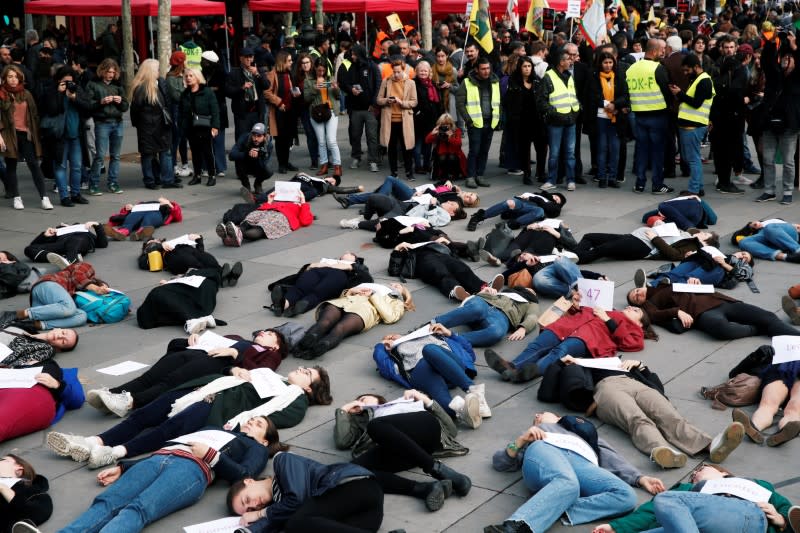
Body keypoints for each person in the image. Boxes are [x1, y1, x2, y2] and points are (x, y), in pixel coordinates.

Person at [49, 365, 329, 469]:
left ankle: (114, 452)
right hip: (196, 392)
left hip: (216, 408)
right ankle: (92, 441)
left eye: (307, 374)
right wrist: (235, 370)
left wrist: (236, 413)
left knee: (166, 431)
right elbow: (237, 374)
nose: (301, 369)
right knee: (144, 415)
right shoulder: (270, 374)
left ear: (308, 388)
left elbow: (275, 419)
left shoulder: (295, 401)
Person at [44, 421, 275, 533]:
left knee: (138, 508)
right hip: (159, 457)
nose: (253, 421)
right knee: (107, 501)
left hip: (193, 469)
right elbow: (176, 444)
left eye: (260, 424)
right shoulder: (218, 427)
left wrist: (212, 456)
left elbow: (244, 474)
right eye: (253, 418)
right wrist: (125, 468)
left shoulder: (257, 448)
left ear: (265, 439)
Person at [486, 411, 664, 533]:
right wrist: (520, 441)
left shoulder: (583, 432)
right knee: (569, 484)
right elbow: (501, 463)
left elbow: (611, 456)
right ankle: (514, 526)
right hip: (546, 450)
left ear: (558, 417)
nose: (536, 416)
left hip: (583, 462)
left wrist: (640, 478)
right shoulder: (536, 433)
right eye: (535, 418)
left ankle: (553, 505)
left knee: (627, 496)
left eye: (541, 413)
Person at [85, 329, 287, 416]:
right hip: (191, 353)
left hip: (212, 363)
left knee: (168, 383)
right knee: (149, 377)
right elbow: (176, 344)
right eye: (264, 331)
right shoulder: (235, 336)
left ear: (276, 346)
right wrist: (191, 339)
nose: (263, 333)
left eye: (270, 335)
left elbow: (260, 372)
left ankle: (130, 403)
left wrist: (235, 354)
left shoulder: (269, 354)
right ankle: (111, 394)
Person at [334, 389, 471, 511]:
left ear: (378, 398)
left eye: (362, 398)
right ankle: (424, 489)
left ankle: (437, 469)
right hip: (405, 450)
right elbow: (342, 441)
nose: (359, 402)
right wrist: (344, 410)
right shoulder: (363, 422)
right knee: (351, 471)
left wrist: (424, 399)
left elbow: (451, 430)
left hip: (425, 431)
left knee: (375, 425)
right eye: (357, 402)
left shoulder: (404, 402)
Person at [485, 291, 655, 382]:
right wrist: (575, 304)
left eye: (636, 310)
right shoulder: (607, 308)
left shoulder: (633, 328)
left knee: (561, 350)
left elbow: (632, 343)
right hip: (565, 327)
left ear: (640, 323)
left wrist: (608, 319)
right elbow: (581, 313)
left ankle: (528, 372)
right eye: (631, 307)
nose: (630, 308)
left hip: (588, 337)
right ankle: (511, 367)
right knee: (536, 346)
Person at [595, 463, 794, 533]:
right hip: (701, 527)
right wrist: (617, 527)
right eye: (694, 473)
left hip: (745, 518)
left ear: (722, 473)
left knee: (666, 499)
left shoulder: (755, 484)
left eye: (701, 468)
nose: (695, 473)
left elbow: (789, 509)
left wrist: (782, 520)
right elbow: (649, 513)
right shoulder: (689, 489)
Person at [227, 452, 384, 533]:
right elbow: (275, 519)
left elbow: (297, 500)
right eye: (251, 509)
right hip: (363, 514)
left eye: (247, 500)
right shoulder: (279, 506)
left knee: (295, 523)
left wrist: (259, 514)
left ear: (249, 481)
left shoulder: (281, 461)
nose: (255, 505)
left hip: (352, 485)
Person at [373, 323, 489, 428]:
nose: (390, 337)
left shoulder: (430, 335)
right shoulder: (395, 353)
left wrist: (449, 333)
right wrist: (380, 345)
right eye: (387, 339)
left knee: (429, 349)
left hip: (448, 364)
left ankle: (473, 390)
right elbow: (384, 366)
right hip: (421, 370)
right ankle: (463, 411)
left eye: (392, 335)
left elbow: (469, 352)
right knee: (443, 401)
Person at [627, 283, 800, 339]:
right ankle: (758, 329)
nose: (637, 294)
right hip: (701, 313)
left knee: (768, 316)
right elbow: (655, 316)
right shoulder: (649, 303)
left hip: (720, 300)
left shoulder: (666, 283)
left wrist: (696, 282)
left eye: (636, 290)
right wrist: (676, 312)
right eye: (635, 298)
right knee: (721, 328)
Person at [293, 282, 414, 359]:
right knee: (324, 322)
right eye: (392, 283)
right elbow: (344, 295)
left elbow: (390, 317)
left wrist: (373, 295)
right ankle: (304, 343)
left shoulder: (397, 302)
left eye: (398, 286)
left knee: (340, 328)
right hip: (346, 302)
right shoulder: (370, 285)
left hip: (364, 311)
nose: (393, 285)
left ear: (402, 294)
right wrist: (351, 291)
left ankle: (318, 349)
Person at [0, 65, 52, 210]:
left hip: (26, 134)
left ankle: (44, 198)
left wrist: (35, 135)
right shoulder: (1, 94)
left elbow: (34, 115)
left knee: (34, 165)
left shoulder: (26, 94)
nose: (13, 80)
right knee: (11, 166)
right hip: (9, 134)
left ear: (20, 78)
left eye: (15, 76)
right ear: (4, 78)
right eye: (10, 76)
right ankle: (17, 197)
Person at [626, 39, 674, 194]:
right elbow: (667, 92)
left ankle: (640, 184)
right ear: (654, 51)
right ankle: (657, 184)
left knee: (641, 150)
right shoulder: (657, 68)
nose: (663, 52)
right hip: (657, 114)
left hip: (638, 114)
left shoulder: (632, 68)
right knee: (657, 151)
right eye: (662, 50)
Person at [757, 33, 800, 205]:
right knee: (768, 159)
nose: (786, 62)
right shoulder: (775, 76)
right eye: (784, 59)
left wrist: (795, 47)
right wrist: (769, 41)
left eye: (789, 59)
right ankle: (769, 190)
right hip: (770, 121)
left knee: (788, 161)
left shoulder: (797, 78)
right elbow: (767, 62)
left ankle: (788, 190)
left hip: (789, 125)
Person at [39, 66, 91, 206]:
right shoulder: (51, 91)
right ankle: (64, 196)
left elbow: (88, 108)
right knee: (60, 167)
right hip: (58, 136)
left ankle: (76, 194)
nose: (68, 84)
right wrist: (59, 94)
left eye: (70, 81)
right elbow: (51, 109)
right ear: (58, 80)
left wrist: (74, 98)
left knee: (76, 166)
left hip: (75, 135)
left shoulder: (77, 90)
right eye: (65, 81)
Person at [4, 261, 107, 331]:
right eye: (104, 288)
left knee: (82, 316)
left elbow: (65, 313)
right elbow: (78, 276)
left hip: (45, 306)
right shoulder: (88, 270)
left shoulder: (82, 295)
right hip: (49, 284)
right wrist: (95, 288)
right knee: (69, 307)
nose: (103, 291)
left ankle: (34, 325)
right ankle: (18, 314)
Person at [0, 358, 83, 442]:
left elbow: (77, 399)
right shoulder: (10, 368)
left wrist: (57, 385)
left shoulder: (52, 368)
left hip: (31, 393)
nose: (30, 359)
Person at [128, 59, 180, 190]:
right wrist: (139, 124)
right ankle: (150, 179)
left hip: (161, 124)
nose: (159, 71)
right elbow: (135, 110)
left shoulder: (160, 83)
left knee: (165, 152)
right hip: (148, 127)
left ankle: (167, 179)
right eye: (157, 69)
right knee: (148, 154)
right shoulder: (141, 88)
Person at [268, 252, 372, 317]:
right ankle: (282, 305)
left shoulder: (357, 267)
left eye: (350, 254)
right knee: (299, 289)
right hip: (317, 271)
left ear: (356, 259)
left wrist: (351, 267)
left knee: (317, 294)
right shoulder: (328, 261)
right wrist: (310, 266)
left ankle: (298, 307)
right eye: (343, 256)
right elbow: (299, 275)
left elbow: (368, 279)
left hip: (338, 276)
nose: (346, 253)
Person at [431, 285, 539, 347]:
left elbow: (533, 316)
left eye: (532, 291)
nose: (530, 290)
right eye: (528, 288)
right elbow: (479, 297)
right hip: (485, 304)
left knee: (496, 332)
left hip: (503, 318)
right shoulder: (506, 291)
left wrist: (523, 328)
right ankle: (432, 324)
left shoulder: (531, 303)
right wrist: (484, 291)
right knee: (476, 309)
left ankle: (451, 338)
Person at [537, 48, 581, 192]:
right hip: (556, 122)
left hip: (570, 120)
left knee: (570, 152)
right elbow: (541, 101)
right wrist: (553, 113)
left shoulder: (569, 76)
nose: (571, 61)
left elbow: (572, 95)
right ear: (561, 62)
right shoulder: (548, 77)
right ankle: (551, 180)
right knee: (554, 153)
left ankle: (570, 180)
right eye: (568, 59)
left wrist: (578, 108)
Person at [670, 54, 714, 196]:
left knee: (693, 159)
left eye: (687, 70)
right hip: (691, 125)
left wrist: (680, 94)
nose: (685, 73)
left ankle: (694, 189)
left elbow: (696, 103)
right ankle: (697, 187)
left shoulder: (704, 81)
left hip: (694, 126)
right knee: (693, 158)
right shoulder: (696, 79)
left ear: (696, 67)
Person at [710, 35, 748, 195]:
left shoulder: (737, 66)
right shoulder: (717, 66)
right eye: (726, 47)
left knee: (729, 148)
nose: (729, 50)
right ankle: (724, 181)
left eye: (732, 47)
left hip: (733, 113)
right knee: (722, 149)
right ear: (721, 48)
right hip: (723, 113)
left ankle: (725, 179)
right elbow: (732, 90)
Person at [732, 357, 800, 446]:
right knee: (792, 410)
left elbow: (733, 372)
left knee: (768, 406)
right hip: (779, 370)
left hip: (779, 369)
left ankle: (754, 427)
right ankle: (784, 430)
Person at [85, 58, 128, 195]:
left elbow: (125, 106)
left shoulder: (118, 85)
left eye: (113, 72)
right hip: (102, 122)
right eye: (108, 71)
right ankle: (93, 184)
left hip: (117, 122)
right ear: (102, 71)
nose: (111, 74)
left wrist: (121, 101)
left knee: (115, 156)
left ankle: (113, 183)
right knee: (100, 155)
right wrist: (101, 102)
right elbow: (88, 105)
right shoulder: (93, 84)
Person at [136, 267, 224, 333]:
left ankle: (196, 318)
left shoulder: (206, 279)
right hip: (183, 293)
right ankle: (196, 318)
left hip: (193, 293)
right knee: (158, 294)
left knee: (159, 294)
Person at [456, 56, 500, 188]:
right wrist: (468, 120)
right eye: (483, 69)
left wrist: (498, 118)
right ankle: (470, 177)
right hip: (475, 123)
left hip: (490, 122)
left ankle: (480, 175)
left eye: (488, 68)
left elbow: (499, 102)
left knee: (484, 151)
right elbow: (460, 103)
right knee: (474, 150)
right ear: (476, 70)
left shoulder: (494, 81)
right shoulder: (467, 82)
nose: (486, 71)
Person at [216, 190, 313, 247]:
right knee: (250, 218)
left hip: (282, 217)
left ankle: (233, 236)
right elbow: (262, 208)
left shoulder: (300, 206)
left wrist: (303, 202)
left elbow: (305, 221)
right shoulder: (278, 201)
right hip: (265, 212)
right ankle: (233, 234)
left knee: (263, 226)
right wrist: (269, 201)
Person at [575, 226, 718, 264]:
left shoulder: (693, 246)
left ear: (704, 242)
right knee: (590, 237)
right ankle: (573, 254)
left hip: (643, 245)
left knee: (603, 250)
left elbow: (674, 255)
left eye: (705, 235)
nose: (702, 233)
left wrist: (655, 237)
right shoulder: (689, 234)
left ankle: (577, 259)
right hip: (634, 236)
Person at [138, 235, 242, 286]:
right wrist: (159, 246)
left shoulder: (171, 242)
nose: (155, 241)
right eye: (151, 242)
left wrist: (198, 240)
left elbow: (200, 251)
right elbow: (143, 263)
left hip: (191, 250)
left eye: (156, 240)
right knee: (197, 266)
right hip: (175, 257)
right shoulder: (149, 254)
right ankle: (224, 276)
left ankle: (226, 277)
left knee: (209, 260)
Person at [591, 51, 629, 188]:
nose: (608, 65)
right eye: (605, 63)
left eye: (610, 62)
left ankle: (612, 177)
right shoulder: (595, 76)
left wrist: (615, 105)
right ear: (600, 64)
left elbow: (625, 95)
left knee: (615, 148)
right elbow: (593, 96)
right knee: (602, 148)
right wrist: (608, 105)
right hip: (601, 116)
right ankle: (601, 177)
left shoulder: (618, 77)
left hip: (616, 117)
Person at [340, 45, 381, 172]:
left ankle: (373, 160)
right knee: (355, 134)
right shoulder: (349, 65)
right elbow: (342, 81)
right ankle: (356, 157)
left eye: (354, 54)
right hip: (355, 108)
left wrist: (374, 103)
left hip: (370, 108)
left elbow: (378, 84)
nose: (352, 57)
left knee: (372, 136)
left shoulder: (372, 66)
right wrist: (350, 89)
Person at [377, 58, 417, 181]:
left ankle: (409, 172)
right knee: (391, 147)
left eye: (398, 71)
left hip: (404, 120)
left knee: (407, 147)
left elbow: (414, 102)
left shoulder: (410, 83)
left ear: (403, 70)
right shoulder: (386, 81)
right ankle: (393, 172)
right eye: (394, 72)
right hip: (390, 120)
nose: (396, 74)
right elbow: (378, 100)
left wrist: (402, 102)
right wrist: (387, 100)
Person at [180, 68, 219, 186]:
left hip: (205, 126)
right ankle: (197, 176)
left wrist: (215, 126)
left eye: (191, 76)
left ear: (197, 77)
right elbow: (181, 112)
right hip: (191, 127)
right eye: (186, 76)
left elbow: (215, 110)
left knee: (207, 151)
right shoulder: (185, 94)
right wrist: (182, 126)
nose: (188, 78)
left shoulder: (207, 92)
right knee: (195, 152)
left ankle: (212, 175)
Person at [504, 57, 539, 185]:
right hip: (521, 121)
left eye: (529, 66)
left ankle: (541, 172)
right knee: (525, 149)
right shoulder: (514, 82)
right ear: (520, 67)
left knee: (541, 147)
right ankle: (527, 173)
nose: (527, 69)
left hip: (537, 119)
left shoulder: (537, 80)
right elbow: (508, 102)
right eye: (525, 66)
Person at [305, 57, 343, 177]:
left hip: (330, 111)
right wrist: (314, 89)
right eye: (319, 70)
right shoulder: (309, 81)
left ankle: (337, 166)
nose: (321, 73)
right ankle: (324, 165)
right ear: (315, 68)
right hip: (316, 113)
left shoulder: (330, 78)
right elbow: (306, 98)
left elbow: (338, 96)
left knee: (331, 140)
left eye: (323, 70)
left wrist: (336, 87)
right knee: (321, 141)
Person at [264, 50, 299, 174]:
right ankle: (282, 164)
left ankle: (286, 161)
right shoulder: (272, 74)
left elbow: (291, 88)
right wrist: (279, 102)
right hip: (279, 112)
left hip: (291, 110)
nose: (291, 62)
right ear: (282, 61)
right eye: (289, 61)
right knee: (280, 139)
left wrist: (295, 93)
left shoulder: (289, 73)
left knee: (289, 138)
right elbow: (266, 92)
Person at [467, 190, 566, 232]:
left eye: (557, 201)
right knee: (509, 202)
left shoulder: (553, 205)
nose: (555, 198)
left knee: (540, 211)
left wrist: (535, 199)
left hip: (533, 210)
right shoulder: (538, 194)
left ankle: (511, 224)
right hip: (522, 204)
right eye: (556, 196)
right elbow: (522, 197)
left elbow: (551, 211)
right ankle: (478, 217)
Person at [0, 455, 53, 532]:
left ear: (19, 466)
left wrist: (3, 488)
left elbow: (37, 511)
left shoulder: (30, 490)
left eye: (1, 459)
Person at [225, 47, 268, 141]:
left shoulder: (258, 71)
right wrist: (241, 88)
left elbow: (266, 85)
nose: (249, 59)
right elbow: (227, 91)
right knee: (242, 139)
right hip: (242, 113)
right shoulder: (234, 73)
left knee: (258, 139)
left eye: (251, 57)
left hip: (257, 111)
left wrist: (257, 74)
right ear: (241, 58)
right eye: (246, 57)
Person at [24, 221, 107, 266]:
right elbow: (34, 245)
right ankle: (62, 258)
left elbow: (102, 244)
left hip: (78, 242)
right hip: (62, 245)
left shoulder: (86, 233)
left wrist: (97, 225)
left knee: (75, 240)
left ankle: (70, 261)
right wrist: (44, 235)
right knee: (28, 249)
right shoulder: (60, 231)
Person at [412, 61, 443, 175]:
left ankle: (426, 165)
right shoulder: (413, 83)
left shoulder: (433, 84)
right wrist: (417, 113)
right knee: (418, 144)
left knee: (428, 144)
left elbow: (438, 101)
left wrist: (440, 116)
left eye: (425, 70)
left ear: (429, 71)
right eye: (421, 70)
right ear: (417, 71)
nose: (423, 72)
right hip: (419, 120)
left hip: (432, 120)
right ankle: (418, 166)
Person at [104, 197, 183, 241]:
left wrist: (169, 204)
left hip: (156, 214)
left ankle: (141, 232)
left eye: (163, 198)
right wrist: (128, 208)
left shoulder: (168, 208)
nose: (160, 199)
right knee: (134, 215)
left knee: (149, 217)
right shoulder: (143, 204)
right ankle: (123, 231)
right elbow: (124, 213)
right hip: (140, 211)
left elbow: (178, 217)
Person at [0, 324, 78, 367]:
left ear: (59, 349)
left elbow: (13, 363)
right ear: (57, 328)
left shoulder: (45, 350)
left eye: (63, 341)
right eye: (63, 333)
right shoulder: (28, 329)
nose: (60, 336)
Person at [166, 51, 191, 178]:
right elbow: (176, 96)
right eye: (184, 61)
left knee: (184, 138)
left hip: (184, 110)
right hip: (175, 110)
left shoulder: (185, 74)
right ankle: (174, 165)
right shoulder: (170, 77)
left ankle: (185, 164)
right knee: (176, 138)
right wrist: (186, 90)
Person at [229, 122, 273, 193]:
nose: (256, 138)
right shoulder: (244, 138)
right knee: (238, 159)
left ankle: (258, 184)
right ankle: (246, 185)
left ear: (264, 136)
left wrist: (259, 155)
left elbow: (265, 164)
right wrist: (247, 154)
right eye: (254, 135)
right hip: (245, 164)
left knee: (269, 169)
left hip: (258, 166)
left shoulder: (268, 145)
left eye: (259, 136)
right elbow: (231, 155)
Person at [425, 113, 467, 181]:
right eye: (443, 124)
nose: (445, 126)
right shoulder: (438, 131)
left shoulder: (456, 130)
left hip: (455, 154)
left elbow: (459, 144)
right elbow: (427, 141)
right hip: (442, 155)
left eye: (447, 124)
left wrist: (450, 137)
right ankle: (444, 174)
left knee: (451, 157)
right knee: (442, 157)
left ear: (451, 124)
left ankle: (454, 174)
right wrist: (432, 133)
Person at [733, 219, 800, 262]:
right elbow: (734, 238)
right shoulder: (753, 230)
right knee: (743, 242)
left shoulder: (774, 221)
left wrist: (794, 225)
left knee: (769, 228)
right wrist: (750, 226)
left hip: (784, 232)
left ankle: (797, 249)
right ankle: (786, 257)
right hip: (766, 238)